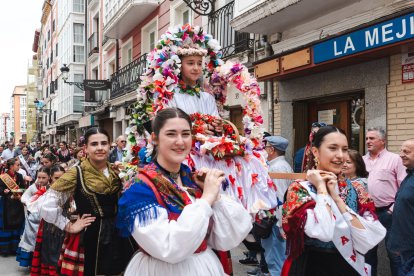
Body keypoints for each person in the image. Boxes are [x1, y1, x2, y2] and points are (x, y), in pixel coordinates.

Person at [129, 24, 277, 212]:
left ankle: (245, 207)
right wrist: (195, 129)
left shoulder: (207, 96)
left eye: (199, 63)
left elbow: (216, 121)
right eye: (190, 63)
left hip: (208, 145)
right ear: (179, 66)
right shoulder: (169, 94)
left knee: (250, 157)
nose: (196, 68)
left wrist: (215, 126)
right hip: (184, 146)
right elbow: (167, 125)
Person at [117, 108, 251, 275]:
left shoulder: (191, 178)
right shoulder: (139, 188)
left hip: (204, 266)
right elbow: (169, 248)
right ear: (154, 138)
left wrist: (215, 197)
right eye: (171, 134)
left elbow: (228, 237)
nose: (180, 142)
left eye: (186, 134)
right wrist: (206, 199)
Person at [282, 126, 386, 276]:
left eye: (344, 149)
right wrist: (322, 190)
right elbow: (322, 231)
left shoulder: (356, 188)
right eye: (333, 148)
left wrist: (336, 198)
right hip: (312, 266)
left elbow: (370, 237)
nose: (340, 155)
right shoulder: (300, 189)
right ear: (315, 151)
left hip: (348, 265)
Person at [39, 127, 133, 275]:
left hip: (119, 234)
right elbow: (46, 205)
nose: (100, 148)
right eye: (94, 144)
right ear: (86, 148)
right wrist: (69, 226)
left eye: (104, 143)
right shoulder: (76, 173)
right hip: (90, 237)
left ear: (110, 146)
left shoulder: (117, 171)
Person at [363, 127, 407, 276]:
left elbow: (404, 186)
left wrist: (392, 209)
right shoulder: (362, 160)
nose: (368, 141)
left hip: (388, 213)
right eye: (367, 138)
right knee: (368, 253)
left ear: (383, 141)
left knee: (394, 254)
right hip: (367, 214)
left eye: (372, 138)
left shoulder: (395, 159)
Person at [260, 135, 292, 276]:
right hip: (277, 220)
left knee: (275, 260)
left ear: (271, 149)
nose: (264, 150)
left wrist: (280, 224)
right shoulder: (280, 165)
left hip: (275, 221)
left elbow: (279, 198)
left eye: (266, 147)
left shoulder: (278, 168)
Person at [31, 165, 67, 275]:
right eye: (56, 178)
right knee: (49, 252)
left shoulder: (69, 189)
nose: (60, 181)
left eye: (62, 178)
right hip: (48, 225)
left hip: (64, 224)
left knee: (60, 253)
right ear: (51, 177)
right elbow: (33, 204)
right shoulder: (45, 191)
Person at [388, 139, 414, 275]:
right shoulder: (409, 176)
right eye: (401, 151)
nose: (401, 154)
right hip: (404, 249)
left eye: (406, 151)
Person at [16, 166, 50, 268]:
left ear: (49, 177)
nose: (41, 180)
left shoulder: (52, 188)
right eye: (39, 177)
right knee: (32, 242)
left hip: (47, 220)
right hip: (32, 221)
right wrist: (30, 202)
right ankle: (33, 264)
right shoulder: (33, 187)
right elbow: (24, 197)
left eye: (44, 178)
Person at [0, 158, 25, 256]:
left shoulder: (20, 176)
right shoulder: (3, 177)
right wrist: (4, 192)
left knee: (17, 224)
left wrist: (19, 191)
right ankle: (5, 249)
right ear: (11, 166)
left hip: (17, 203)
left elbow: (23, 187)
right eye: (17, 165)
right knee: (7, 225)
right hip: (7, 204)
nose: (19, 166)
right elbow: (1, 189)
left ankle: (15, 248)